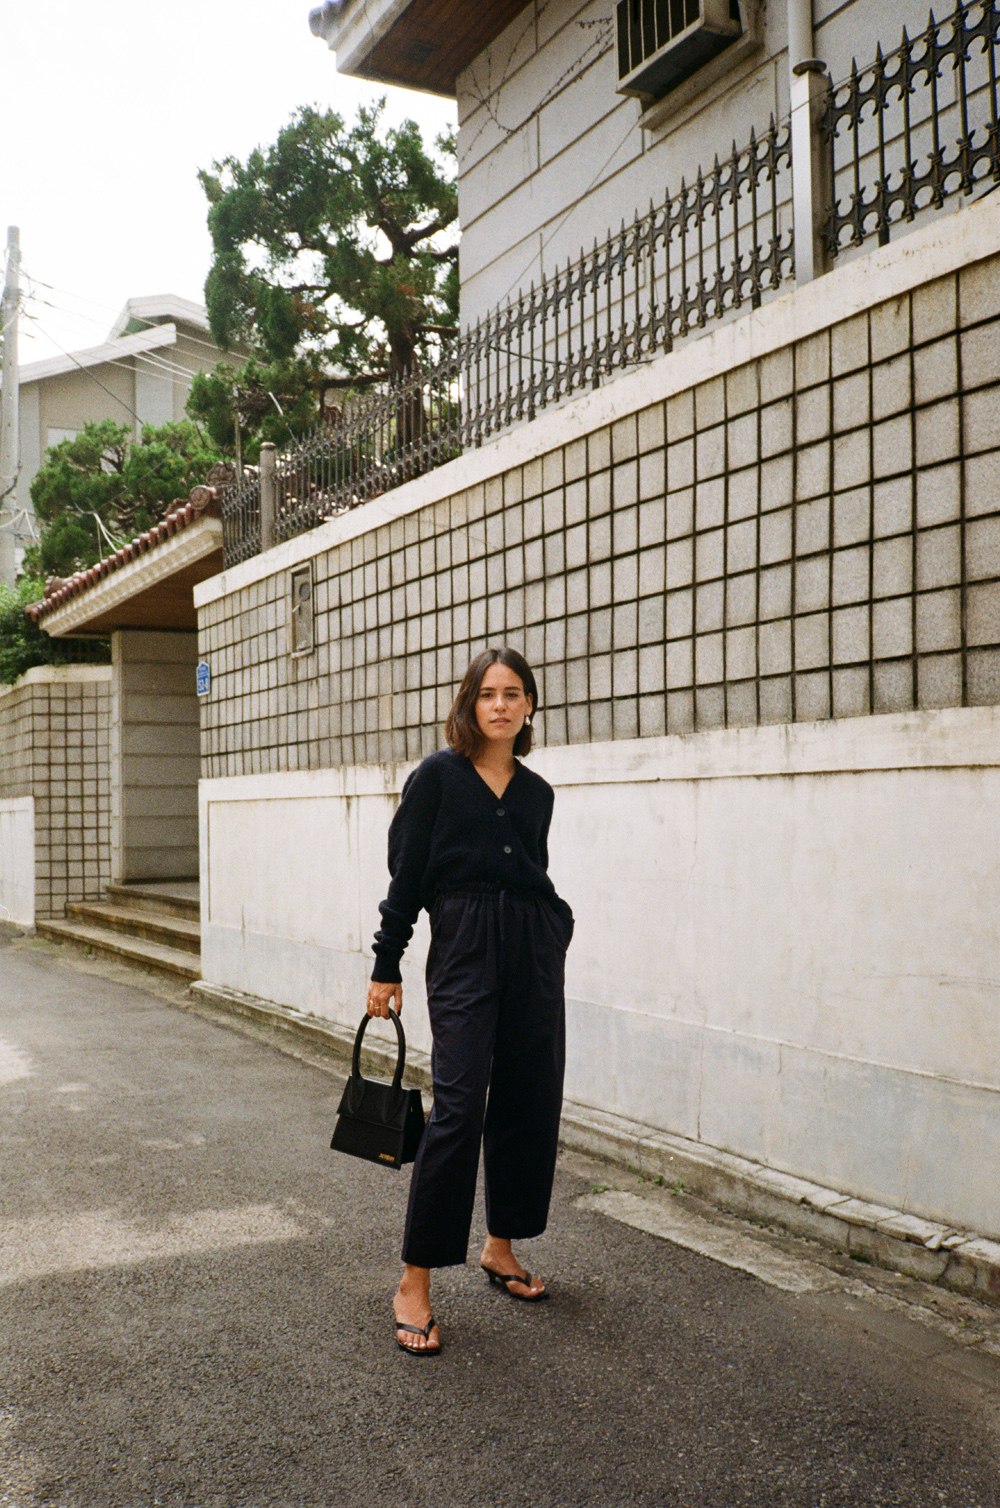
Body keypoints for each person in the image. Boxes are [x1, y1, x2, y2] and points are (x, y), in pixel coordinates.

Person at [366, 646, 574, 1357]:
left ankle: (500, 1246)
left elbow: (533, 872)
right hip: (464, 947)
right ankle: (414, 1281)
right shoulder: (437, 777)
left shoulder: (537, 794)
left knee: (529, 1096)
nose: (500, 705)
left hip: (532, 950)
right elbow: (406, 876)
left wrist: (554, 929)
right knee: (458, 1106)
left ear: (529, 706)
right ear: (469, 703)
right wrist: (387, 962)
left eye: (513, 693)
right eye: (488, 693)